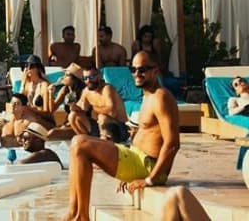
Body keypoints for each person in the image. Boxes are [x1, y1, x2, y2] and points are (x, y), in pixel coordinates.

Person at [63, 51, 180, 221]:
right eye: (133, 69)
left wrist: (150, 180)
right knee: (76, 143)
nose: (136, 74)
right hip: (136, 159)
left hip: (147, 165)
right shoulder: (148, 96)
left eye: (142, 70)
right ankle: (73, 213)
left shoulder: (161, 97)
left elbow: (172, 144)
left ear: (155, 71)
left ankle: (81, 217)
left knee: (81, 144)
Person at [72, 66, 129, 141]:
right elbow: (82, 108)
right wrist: (73, 107)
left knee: (102, 117)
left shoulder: (107, 89)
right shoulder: (86, 91)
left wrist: (93, 109)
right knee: (73, 116)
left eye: (91, 77)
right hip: (100, 127)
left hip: (120, 129)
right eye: (85, 78)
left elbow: (112, 112)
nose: (88, 80)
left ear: (99, 76)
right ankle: (88, 142)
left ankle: (105, 145)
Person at [45, 64, 85, 140]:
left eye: (67, 75)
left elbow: (83, 113)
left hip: (78, 125)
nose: (63, 77)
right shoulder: (65, 90)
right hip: (68, 123)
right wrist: (50, 94)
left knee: (52, 133)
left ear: (74, 79)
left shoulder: (83, 92)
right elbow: (52, 109)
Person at [21, 55, 54, 129]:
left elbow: (48, 113)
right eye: (26, 66)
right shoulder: (27, 85)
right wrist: (22, 84)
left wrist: (32, 110)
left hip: (44, 121)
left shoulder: (44, 86)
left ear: (38, 69)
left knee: (27, 116)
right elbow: (19, 102)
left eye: (31, 66)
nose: (27, 69)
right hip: (30, 118)